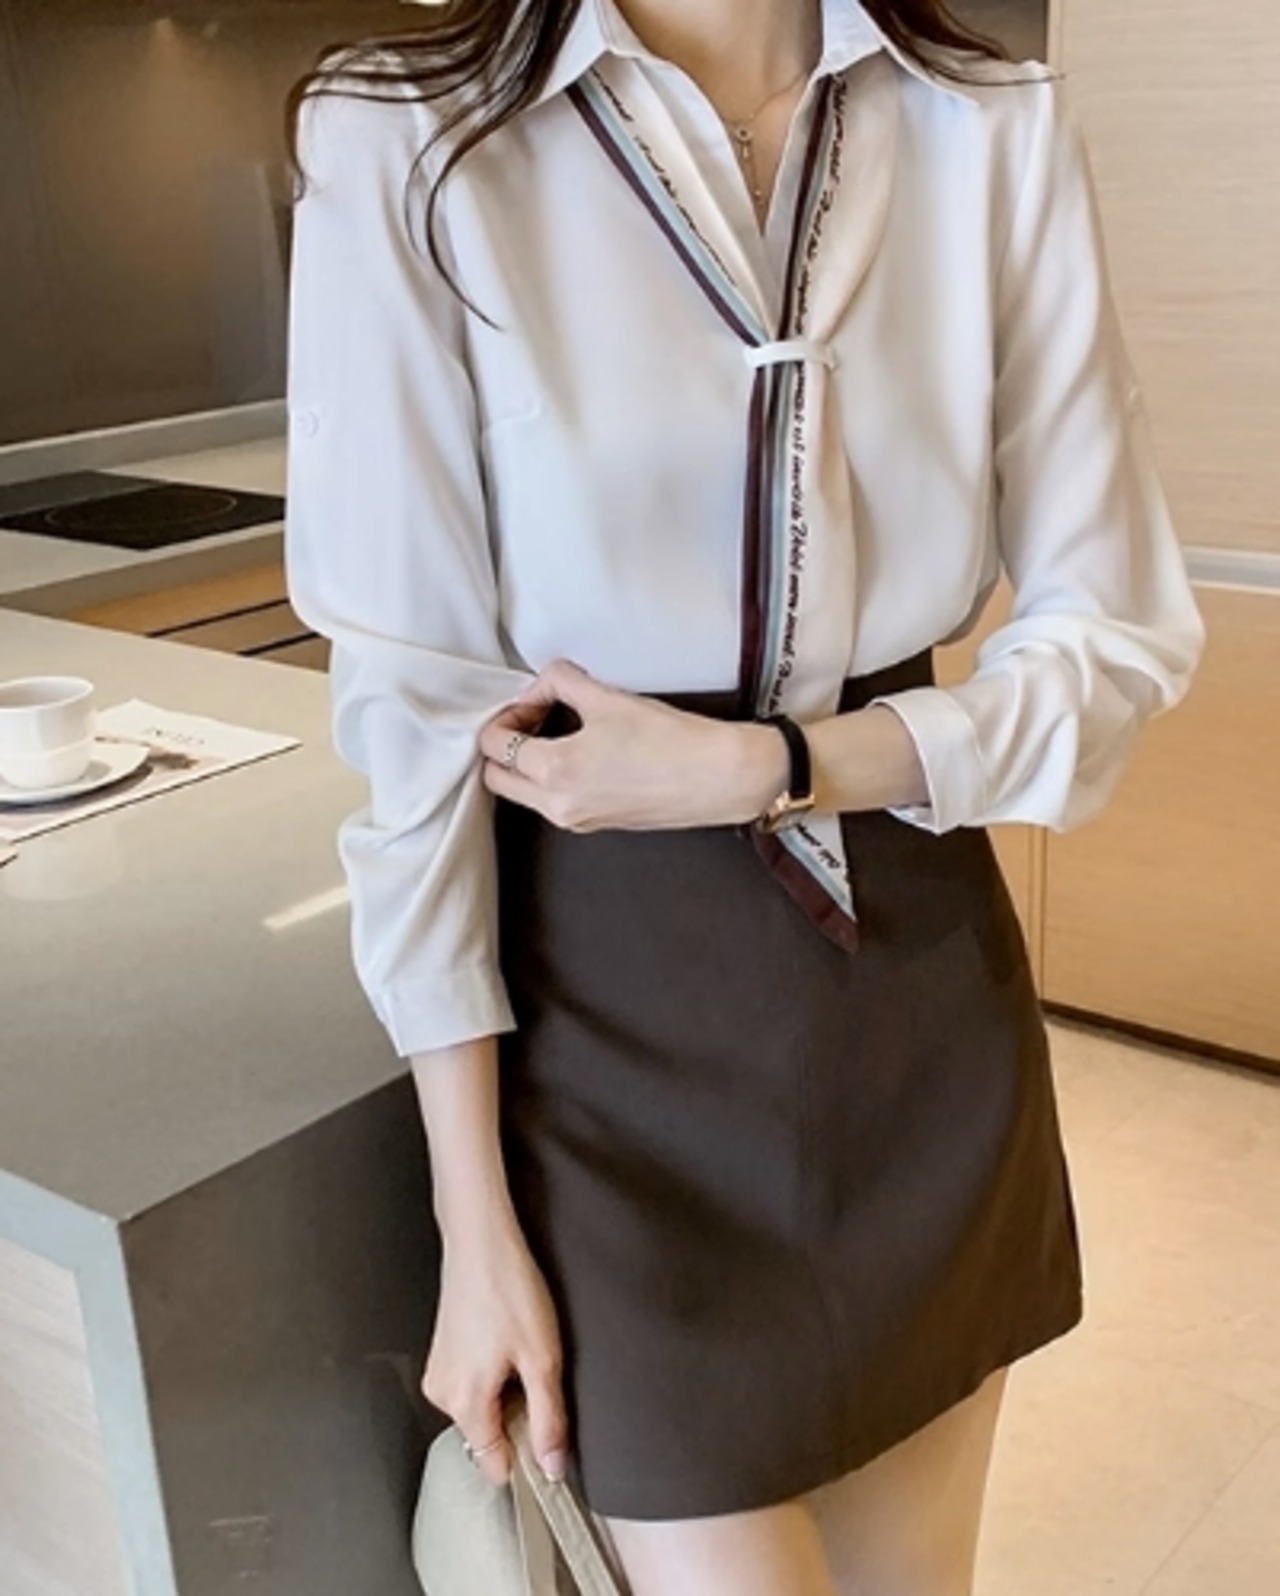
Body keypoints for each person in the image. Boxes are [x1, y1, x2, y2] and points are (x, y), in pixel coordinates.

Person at [283, 1, 1205, 1590]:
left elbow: (1112, 631)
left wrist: (774, 766)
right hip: (603, 1024)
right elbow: (418, 716)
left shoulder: (991, 121)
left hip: (920, 993)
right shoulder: (412, 132)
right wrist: (473, 1223)